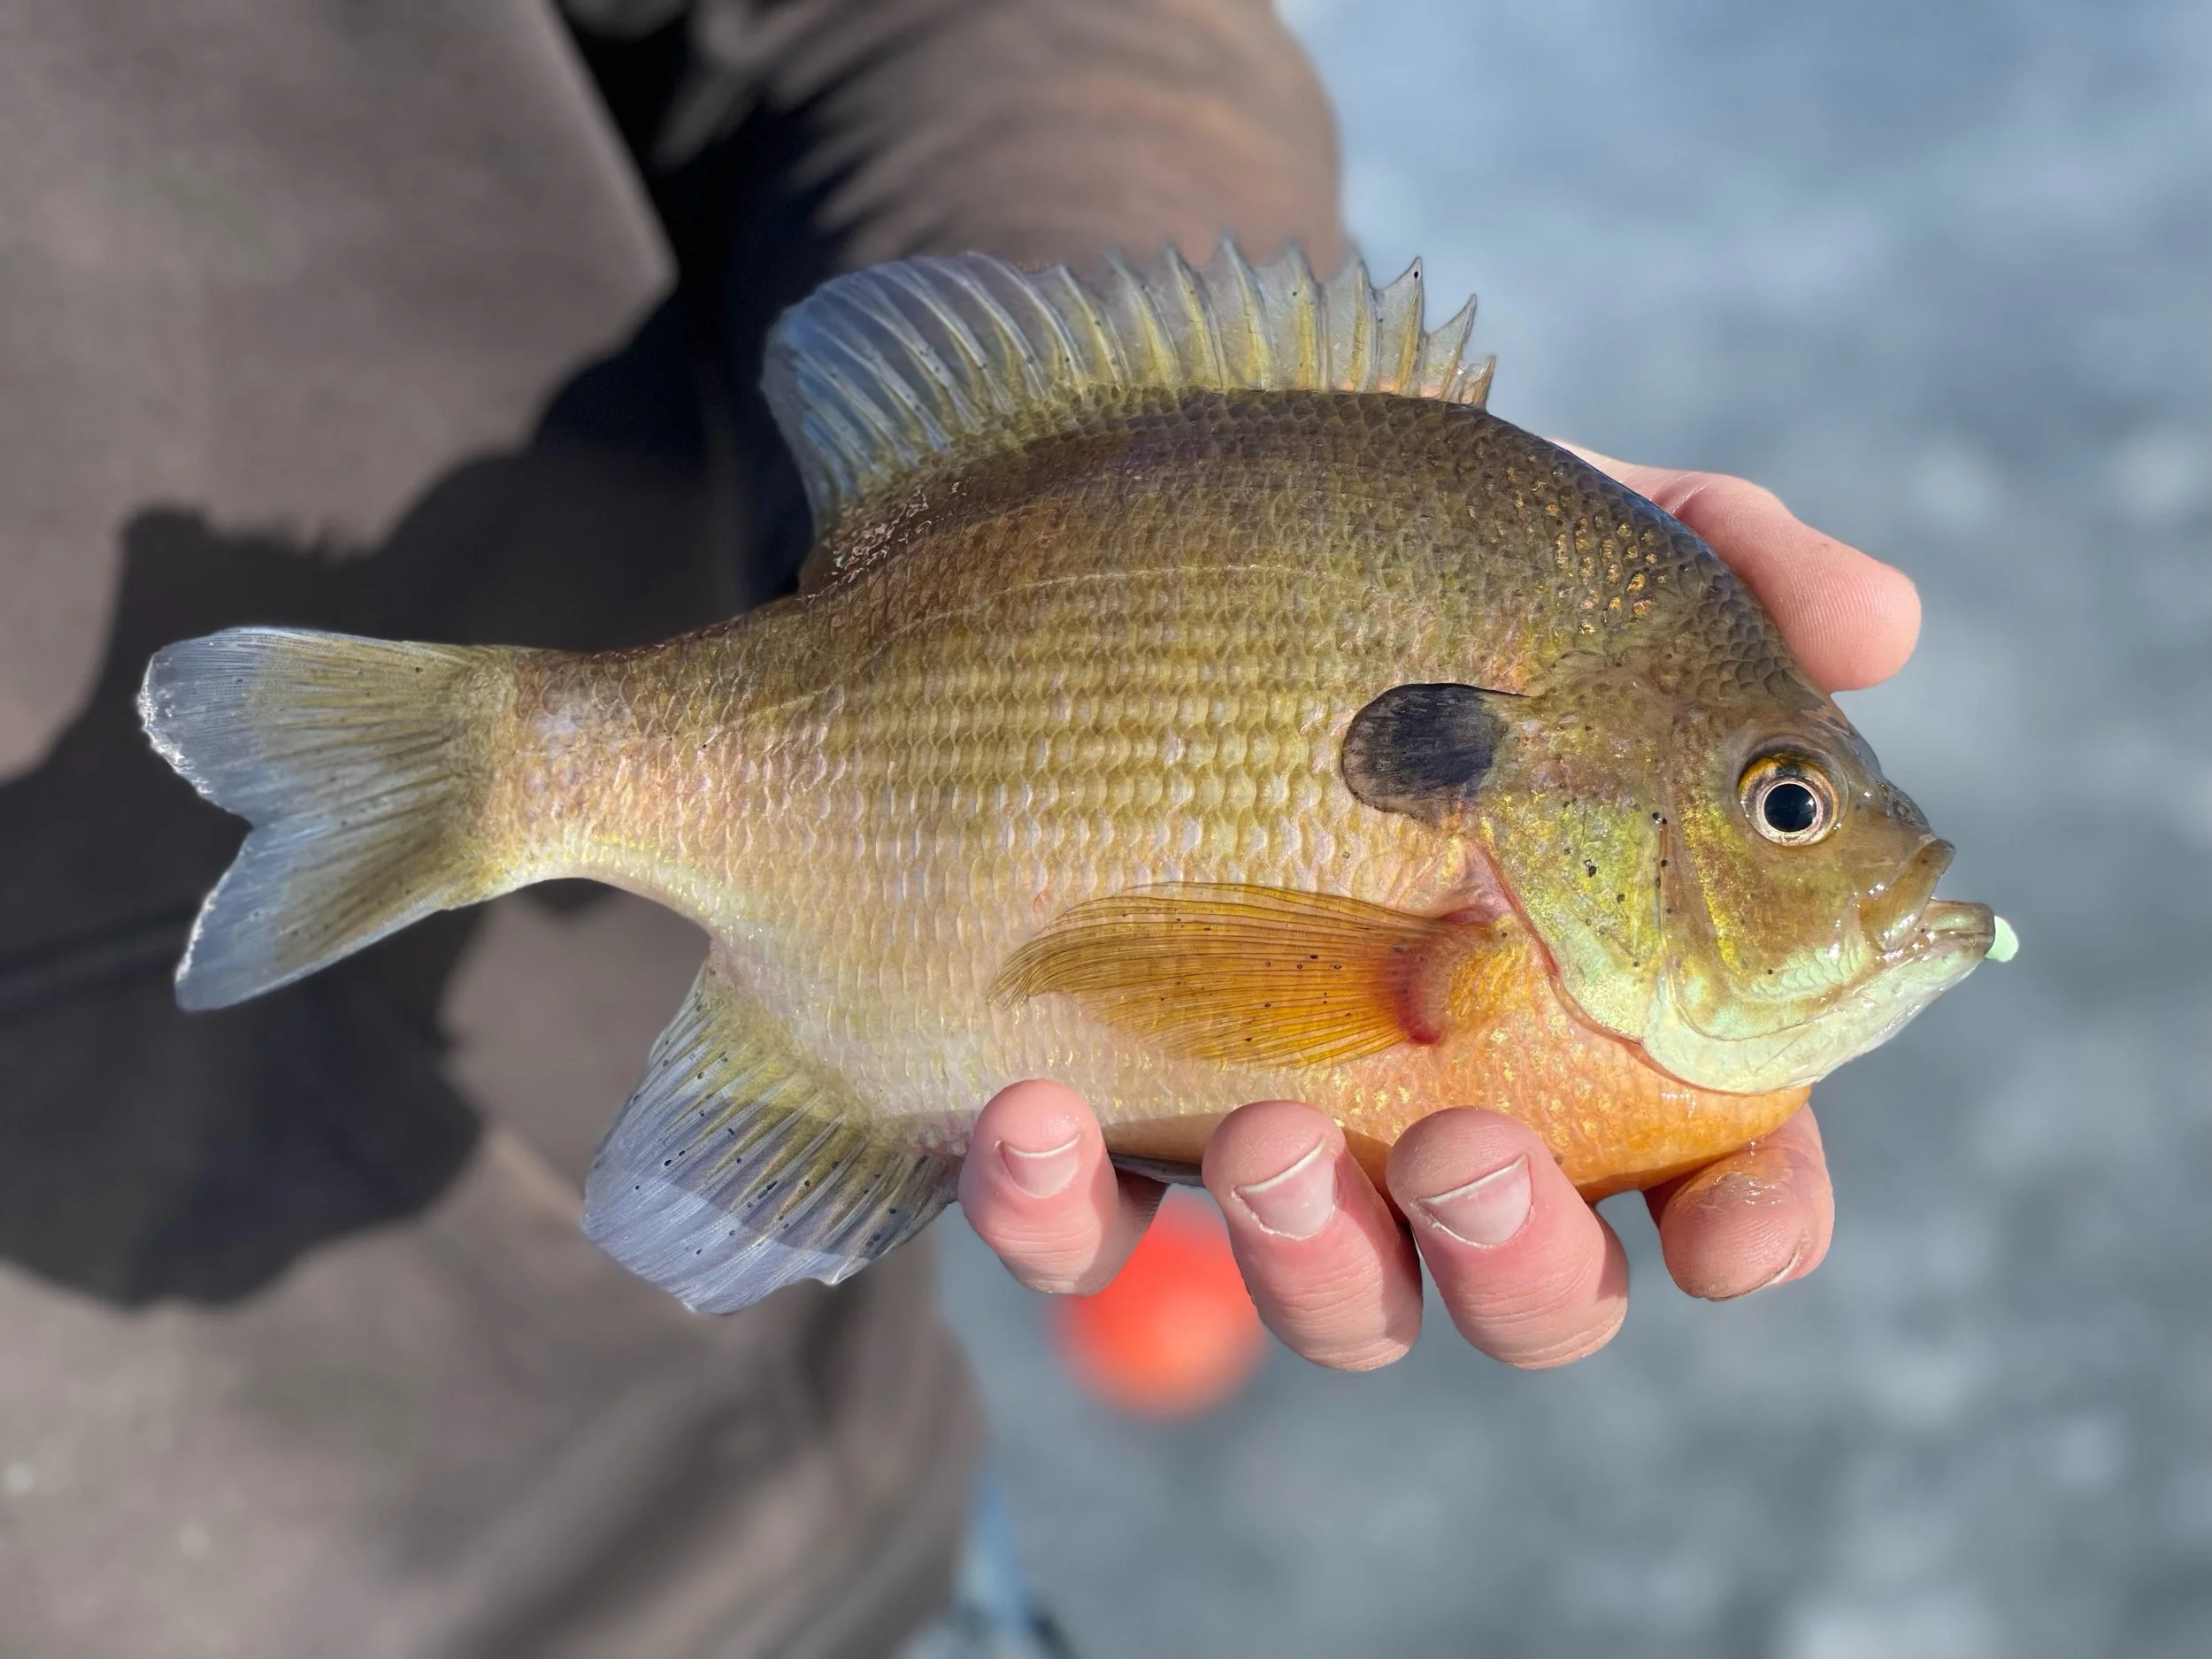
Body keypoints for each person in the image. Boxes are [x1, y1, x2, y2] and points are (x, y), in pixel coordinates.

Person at [0, 0, 1919, 1651]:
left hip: (730, 1556)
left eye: (1783, 799)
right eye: (1780, 801)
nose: (1818, 840)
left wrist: (1141, 378)